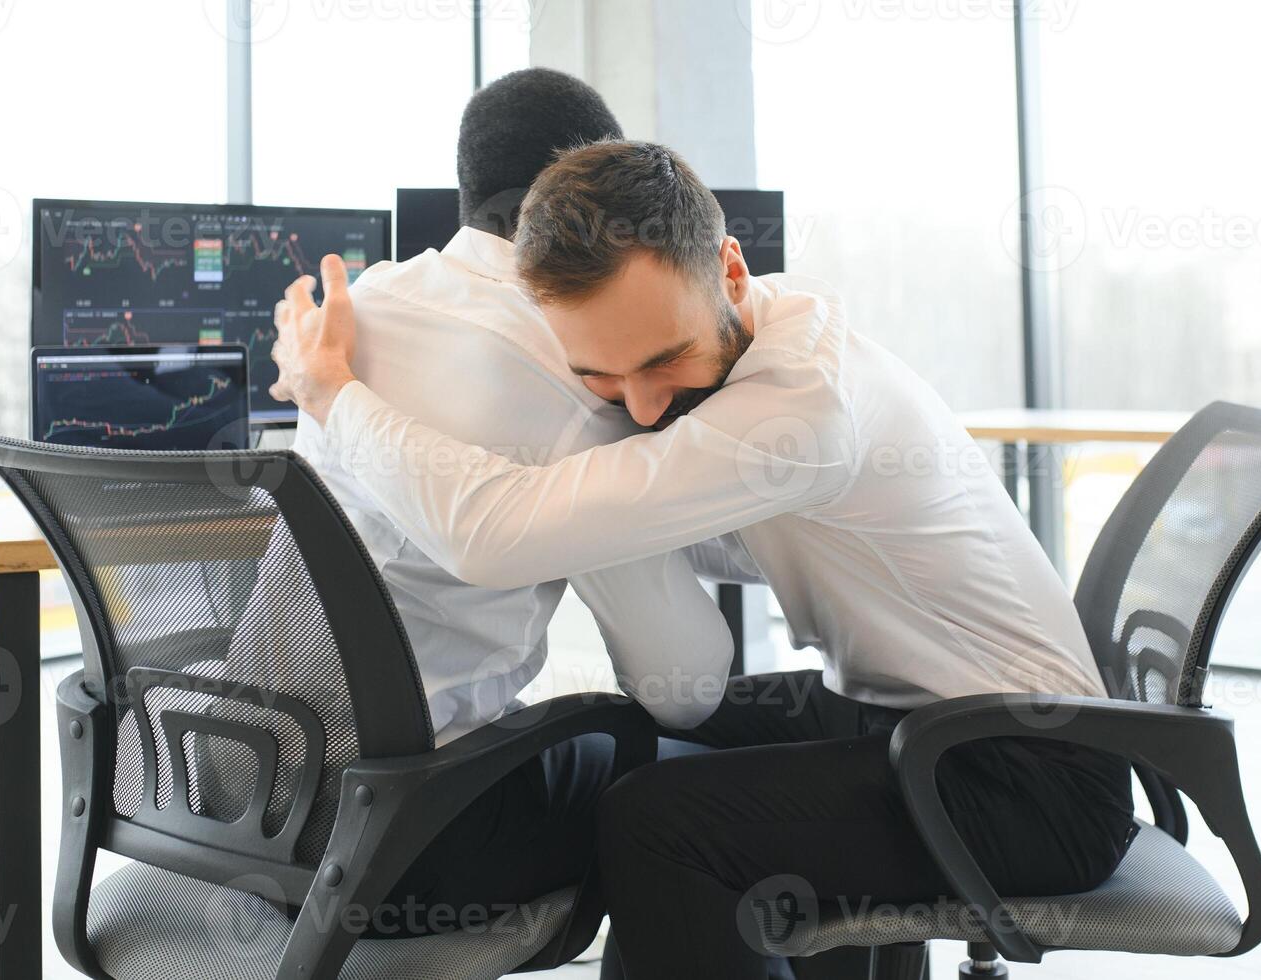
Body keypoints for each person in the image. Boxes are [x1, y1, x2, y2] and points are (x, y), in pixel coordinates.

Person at [269, 140, 1137, 977]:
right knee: (640, 728)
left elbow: (495, 535)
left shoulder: (798, 415)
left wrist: (332, 394)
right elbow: (682, 532)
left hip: (1031, 778)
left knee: (657, 820)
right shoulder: (771, 333)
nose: (644, 408)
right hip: (907, 716)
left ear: (727, 268)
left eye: (662, 360)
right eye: (601, 379)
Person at [282, 83, 734, 937]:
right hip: (414, 845)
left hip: (244, 807)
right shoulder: (583, 364)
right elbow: (686, 688)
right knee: (707, 803)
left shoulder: (348, 317)